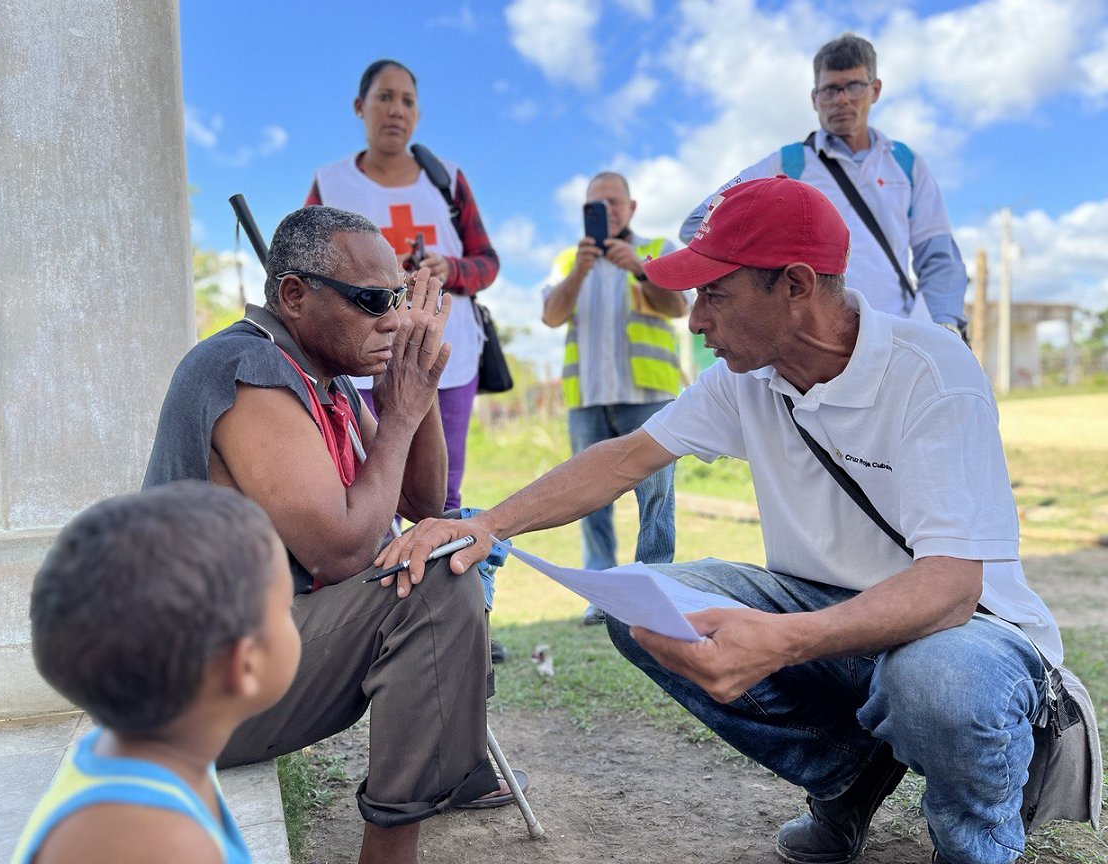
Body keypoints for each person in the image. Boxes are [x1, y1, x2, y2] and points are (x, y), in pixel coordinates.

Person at [377, 177, 1086, 864]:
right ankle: (845, 779)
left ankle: (976, 843)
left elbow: (951, 589)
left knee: (940, 684)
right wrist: (489, 523)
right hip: (826, 611)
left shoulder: (931, 374)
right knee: (642, 604)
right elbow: (624, 458)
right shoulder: (745, 379)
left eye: (714, 294)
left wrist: (782, 638)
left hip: (966, 631)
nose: (696, 321)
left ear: (798, 285)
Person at [143, 206, 523, 864]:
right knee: (438, 582)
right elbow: (344, 549)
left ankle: (426, 795)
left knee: (450, 546)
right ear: (294, 294)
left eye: (399, 298)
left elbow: (420, 501)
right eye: (374, 300)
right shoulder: (246, 367)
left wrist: (417, 381)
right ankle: (390, 853)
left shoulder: (330, 383)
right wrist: (399, 410)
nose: (394, 319)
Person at [14, 481, 301, 864]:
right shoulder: (153, 840)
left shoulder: (152, 757)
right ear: (245, 664)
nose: (293, 615)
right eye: (286, 608)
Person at [307, 58, 499, 514]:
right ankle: (372, 583)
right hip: (356, 359)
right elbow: (308, 265)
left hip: (446, 356)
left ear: (418, 114)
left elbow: (487, 264)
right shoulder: (331, 184)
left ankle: (448, 582)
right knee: (360, 481)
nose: (397, 110)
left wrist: (450, 269)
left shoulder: (446, 180)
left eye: (408, 101)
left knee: (441, 495)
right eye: (385, 97)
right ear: (360, 106)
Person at [681, 33, 968, 336]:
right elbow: (698, 224)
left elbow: (938, 258)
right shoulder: (788, 164)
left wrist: (944, 327)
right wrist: (773, 272)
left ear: (875, 89)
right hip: (813, 342)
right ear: (814, 98)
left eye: (854, 86)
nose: (841, 99)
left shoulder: (906, 164)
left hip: (895, 335)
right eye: (830, 89)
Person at [542, 171, 688, 625]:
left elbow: (679, 307)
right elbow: (551, 315)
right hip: (588, 396)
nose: (607, 211)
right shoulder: (569, 258)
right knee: (589, 496)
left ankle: (654, 586)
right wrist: (580, 272)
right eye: (596, 204)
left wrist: (641, 269)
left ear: (632, 207)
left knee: (656, 494)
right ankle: (602, 593)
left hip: (647, 392)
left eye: (615, 202)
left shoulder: (658, 248)